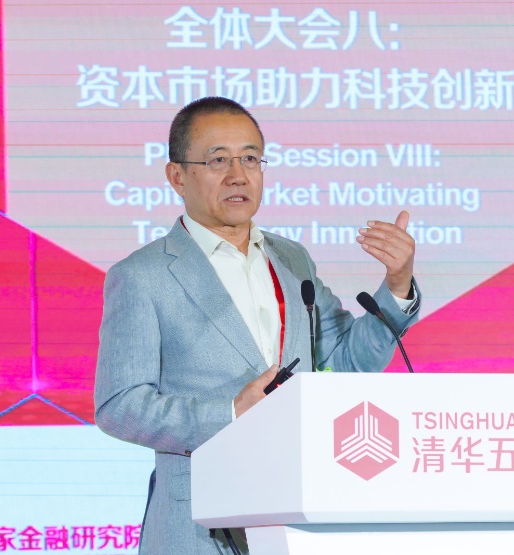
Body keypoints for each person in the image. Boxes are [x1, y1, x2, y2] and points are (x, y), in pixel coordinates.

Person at [93, 97, 421, 554]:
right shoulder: (142, 276)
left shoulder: (291, 259)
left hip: (296, 512)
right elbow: (120, 406)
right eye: (218, 160)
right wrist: (230, 413)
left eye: (250, 158)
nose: (238, 175)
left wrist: (397, 282)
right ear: (177, 176)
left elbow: (346, 362)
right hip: (199, 524)